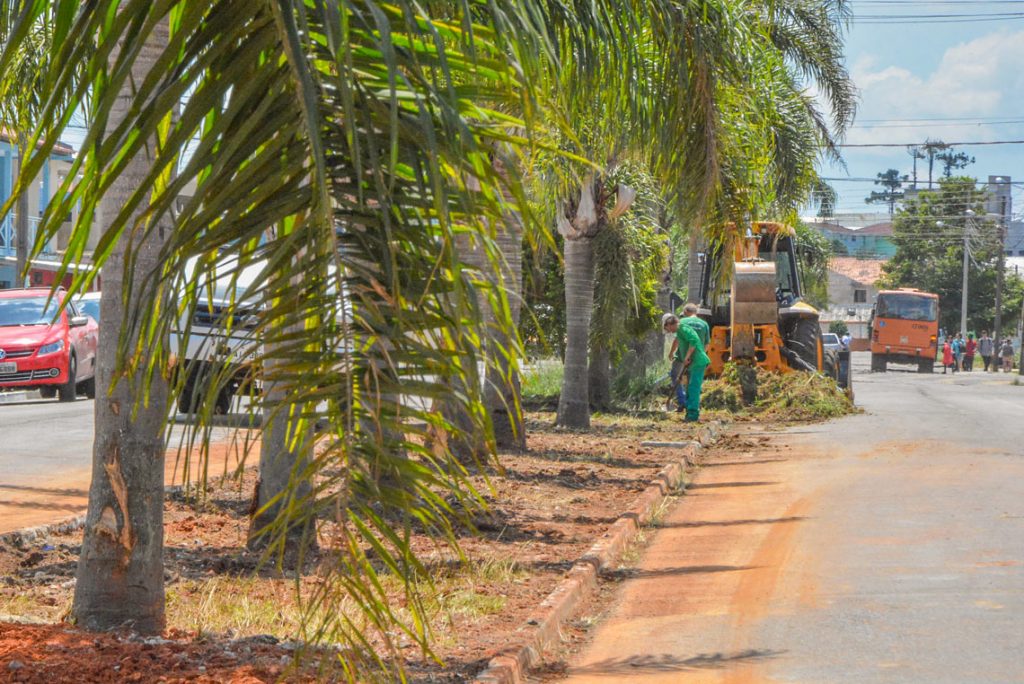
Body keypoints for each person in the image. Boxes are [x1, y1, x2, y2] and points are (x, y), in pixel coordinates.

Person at [663, 314, 710, 421]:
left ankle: (692, 416)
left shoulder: (683, 328)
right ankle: (689, 413)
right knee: (689, 387)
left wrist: (687, 357)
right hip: (692, 362)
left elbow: (694, 340)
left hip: (698, 361)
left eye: (668, 328)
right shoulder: (680, 331)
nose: (669, 331)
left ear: (671, 324)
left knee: (693, 388)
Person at [662, 313, 687, 411]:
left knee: (675, 376)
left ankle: (682, 401)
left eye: (667, 327)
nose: (669, 331)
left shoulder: (681, 327)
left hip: (682, 357)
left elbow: (677, 340)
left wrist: (671, 353)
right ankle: (685, 401)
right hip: (689, 356)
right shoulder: (685, 326)